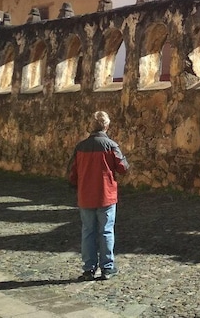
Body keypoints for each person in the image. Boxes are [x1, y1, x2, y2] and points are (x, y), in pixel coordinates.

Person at [67, 111, 129, 281]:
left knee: (88, 231)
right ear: (106, 126)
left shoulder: (80, 147)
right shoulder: (111, 145)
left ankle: (89, 268)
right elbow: (123, 167)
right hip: (106, 195)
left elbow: (72, 172)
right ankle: (107, 267)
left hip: (86, 195)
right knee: (106, 231)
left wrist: (75, 185)